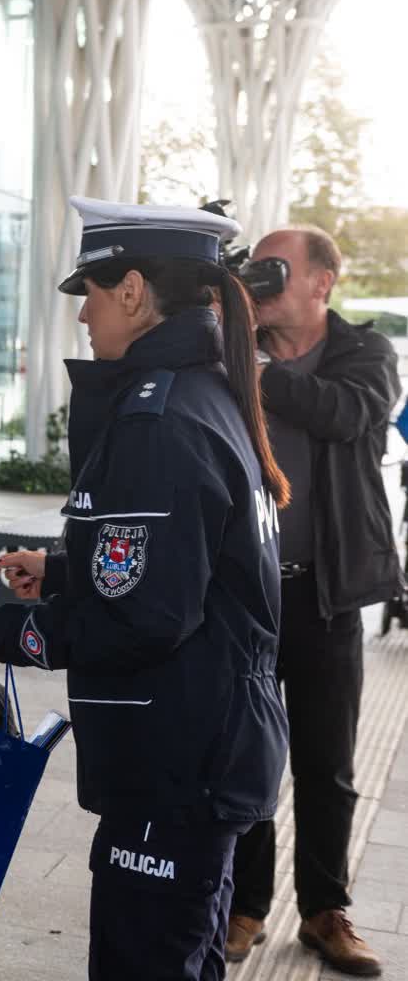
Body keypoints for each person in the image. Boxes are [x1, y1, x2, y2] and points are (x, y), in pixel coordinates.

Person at [0, 196, 290, 980]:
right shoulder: (202, 396)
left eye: (93, 294)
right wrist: (68, 571)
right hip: (198, 748)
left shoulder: (157, 419)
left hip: (174, 760)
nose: (82, 318)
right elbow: (191, 571)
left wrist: (11, 633)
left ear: (135, 290)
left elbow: (146, 617)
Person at [224, 225, 400, 977]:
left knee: (325, 762)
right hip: (249, 593)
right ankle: (243, 904)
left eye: (273, 271)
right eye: (252, 272)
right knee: (245, 756)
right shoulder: (230, 350)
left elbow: (343, 415)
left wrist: (251, 364)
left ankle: (325, 910)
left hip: (326, 595)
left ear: (321, 282)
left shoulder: (365, 354)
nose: (258, 284)